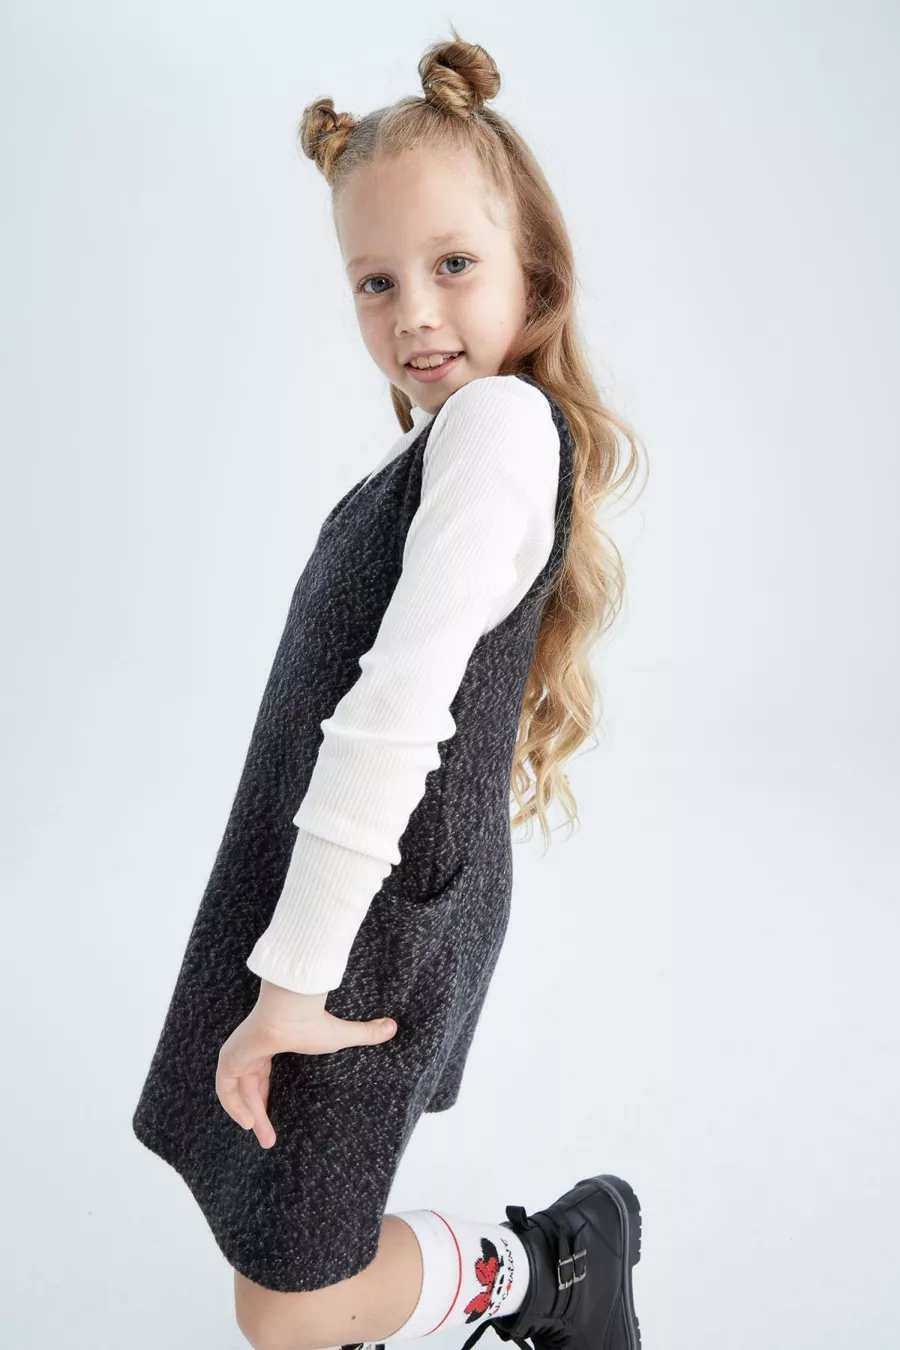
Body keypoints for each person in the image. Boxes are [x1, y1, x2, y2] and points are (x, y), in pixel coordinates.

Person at [132, 27, 648, 1350]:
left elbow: (396, 712)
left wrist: (293, 978)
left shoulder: (499, 426)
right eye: (375, 281)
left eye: (452, 265)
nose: (413, 311)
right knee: (281, 1232)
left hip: (364, 920)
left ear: (533, 270)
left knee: (288, 1301)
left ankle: (554, 1271)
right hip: (337, 890)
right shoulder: (445, 449)